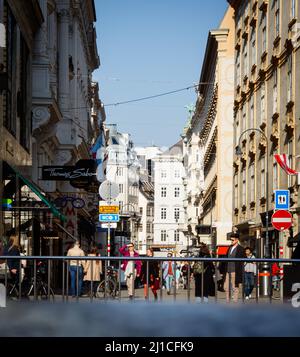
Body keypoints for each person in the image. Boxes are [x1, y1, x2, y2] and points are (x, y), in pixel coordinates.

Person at [222, 233, 246, 303]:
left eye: (232, 240)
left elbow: (244, 258)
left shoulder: (240, 248)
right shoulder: (230, 247)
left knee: (235, 286)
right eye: (231, 240)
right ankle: (227, 300)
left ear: (237, 240)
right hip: (228, 270)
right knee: (225, 287)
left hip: (235, 270)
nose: (231, 241)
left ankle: (235, 300)